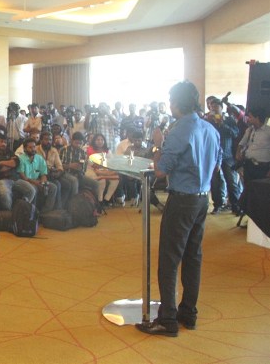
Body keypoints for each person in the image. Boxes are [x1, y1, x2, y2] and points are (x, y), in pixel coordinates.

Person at [136, 80, 221, 337]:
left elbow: (160, 170)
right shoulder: (210, 129)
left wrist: (157, 145)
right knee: (193, 257)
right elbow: (216, 166)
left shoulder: (179, 131)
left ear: (176, 103)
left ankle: (167, 320)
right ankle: (188, 313)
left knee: (169, 259)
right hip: (202, 199)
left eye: (171, 101)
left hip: (182, 200)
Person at [206, 98, 242, 214]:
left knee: (231, 181)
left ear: (221, 108)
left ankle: (235, 205)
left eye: (216, 107)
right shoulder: (208, 121)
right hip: (213, 155)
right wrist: (209, 122)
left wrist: (222, 124)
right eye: (212, 107)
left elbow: (235, 133)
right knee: (215, 182)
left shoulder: (229, 120)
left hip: (227, 155)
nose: (214, 109)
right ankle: (217, 205)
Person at [0, 133, 35, 210]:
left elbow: (16, 163)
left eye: (5, 142)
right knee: (5, 194)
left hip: (14, 179)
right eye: (1, 141)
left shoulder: (10, 152)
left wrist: (1, 162)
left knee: (31, 190)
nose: (4, 144)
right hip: (0, 180)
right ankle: (8, 214)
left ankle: (20, 208)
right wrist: (10, 164)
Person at [236, 106, 270, 213]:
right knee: (248, 190)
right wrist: (238, 152)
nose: (248, 119)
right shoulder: (249, 130)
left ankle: (259, 214)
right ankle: (249, 213)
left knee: (260, 192)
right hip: (249, 165)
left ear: (257, 118)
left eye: (250, 117)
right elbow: (241, 143)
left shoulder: (268, 131)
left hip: (262, 167)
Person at [17, 138, 57, 213]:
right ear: (25, 149)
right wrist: (36, 183)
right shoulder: (21, 159)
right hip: (25, 181)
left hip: (37, 181)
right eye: (30, 147)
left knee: (53, 187)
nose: (33, 149)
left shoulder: (39, 158)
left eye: (34, 147)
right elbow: (23, 176)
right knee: (34, 189)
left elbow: (43, 174)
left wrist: (43, 183)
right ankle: (33, 212)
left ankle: (45, 211)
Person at [85, 133, 120, 206]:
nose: (100, 141)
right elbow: (92, 164)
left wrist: (104, 170)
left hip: (104, 170)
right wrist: (101, 168)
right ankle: (99, 201)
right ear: (94, 141)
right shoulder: (89, 149)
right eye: (98, 140)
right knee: (101, 181)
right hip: (91, 169)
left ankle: (107, 199)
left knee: (115, 180)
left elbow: (110, 163)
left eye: (102, 140)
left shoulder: (108, 151)